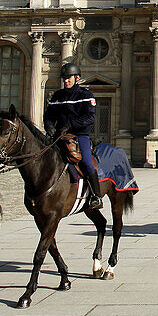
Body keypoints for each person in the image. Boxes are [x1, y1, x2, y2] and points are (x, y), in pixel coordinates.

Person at [44, 63, 102, 210]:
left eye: (68, 78)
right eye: (64, 78)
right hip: (59, 135)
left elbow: (90, 117)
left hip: (79, 135)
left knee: (87, 163)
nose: (65, 81)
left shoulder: (85, 94)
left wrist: (71, 125)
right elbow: (49, 115)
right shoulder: (57, 96)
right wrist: (49, 126)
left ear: (77, 78)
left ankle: (96, 196)